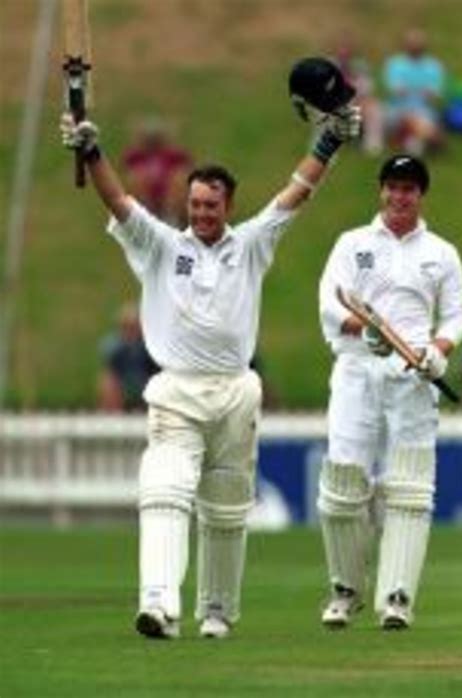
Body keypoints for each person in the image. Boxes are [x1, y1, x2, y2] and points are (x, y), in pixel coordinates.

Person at [60, 60, 360, 640]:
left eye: (211, 206)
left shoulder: (250, 244)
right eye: (195, 204)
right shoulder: (160, 245)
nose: (201, 213)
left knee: (225, 508)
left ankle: (217, 612)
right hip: (177, 387)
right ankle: (158, 603)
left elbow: (296, 193)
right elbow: (118, 201)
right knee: (164, 487)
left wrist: (329, 140)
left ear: (226, 205)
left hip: (235, 391)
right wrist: (93, 150)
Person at [318, 154, 462, 630]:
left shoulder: (441, 253)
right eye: (391, 187)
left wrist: (439, 351)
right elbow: (330, 300)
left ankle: (397, 596)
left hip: (413, 375)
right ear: (381, 190)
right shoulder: (352, 243)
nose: (398, 196)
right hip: (358, 370)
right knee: (344, 481)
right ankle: (345, 589)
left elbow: (456, 314)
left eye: (408, 189)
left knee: (409, 488)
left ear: (420, 195)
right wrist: (361, 331)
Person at [382, 28, 446, 155]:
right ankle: (429, 137)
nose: (415, 46)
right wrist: (419, 91)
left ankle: (415, 141)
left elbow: (434, 93)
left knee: (422, 117)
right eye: (412, 42)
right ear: (405, 44)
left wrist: (414, 91)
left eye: (418, 43)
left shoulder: (433, 65)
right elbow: (395, 91)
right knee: (411, 118)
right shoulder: (395, 63)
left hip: (424, 109)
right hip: (398, 108)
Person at [122, 116, 193, 227]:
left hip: (168, 199)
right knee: (136, 178)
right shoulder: (136, 157)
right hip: (148, 199)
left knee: (180, 179)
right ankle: (144, 216)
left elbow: (185, 172)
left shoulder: (174, 156)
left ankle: (171, 218)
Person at [97, 302, 157, 412]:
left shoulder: (150, 345)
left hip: (146, 379)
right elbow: (111, 370)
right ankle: (111, 413)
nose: (130, 330)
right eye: (126, 326)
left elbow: (155, 370)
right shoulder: (113, 346)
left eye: (133, 326)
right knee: (108, 382)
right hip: (124, 381)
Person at [332, 37, 384, 155]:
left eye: (347, 50)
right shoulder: (329, 67)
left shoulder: (360, 67)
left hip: (357, 102)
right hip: (334, 103)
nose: (344, 53)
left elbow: (367, 89)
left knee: (374, 108)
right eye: (341, 49)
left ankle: (372, 145)